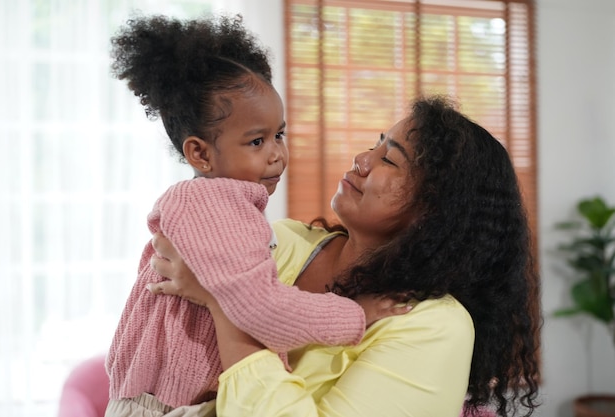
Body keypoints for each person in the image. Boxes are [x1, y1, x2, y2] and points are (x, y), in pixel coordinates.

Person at [148, 95, 542, 417]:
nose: (362, 159)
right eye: (377, 142)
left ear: (435, 212)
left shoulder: (434, 324)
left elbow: (220, 299)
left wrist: (224, 302)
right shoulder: (284, 240)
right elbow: (162, 290)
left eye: (389, 159)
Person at [105, 14, 391, 417]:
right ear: (200, 153)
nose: (277, 153)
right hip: (160, 406)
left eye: (279, 134)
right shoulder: (205, 205)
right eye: (257, 140)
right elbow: (262, 310)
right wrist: (358, 313)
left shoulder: (226, 205)